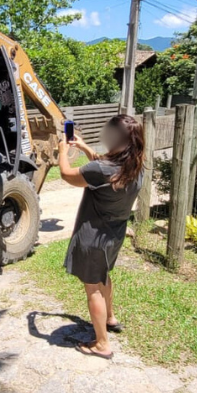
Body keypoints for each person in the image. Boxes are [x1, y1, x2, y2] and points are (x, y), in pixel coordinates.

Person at [56, 115, 145, 359]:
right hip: (113, 236)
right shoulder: (136, 167)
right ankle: (110, 318)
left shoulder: (102, 169)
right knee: (103, 276)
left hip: (92, 237)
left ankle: (101, 344)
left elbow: (66, 174)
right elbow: (102, 168)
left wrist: (63, 150)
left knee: (92, 288)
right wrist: (84, 147)